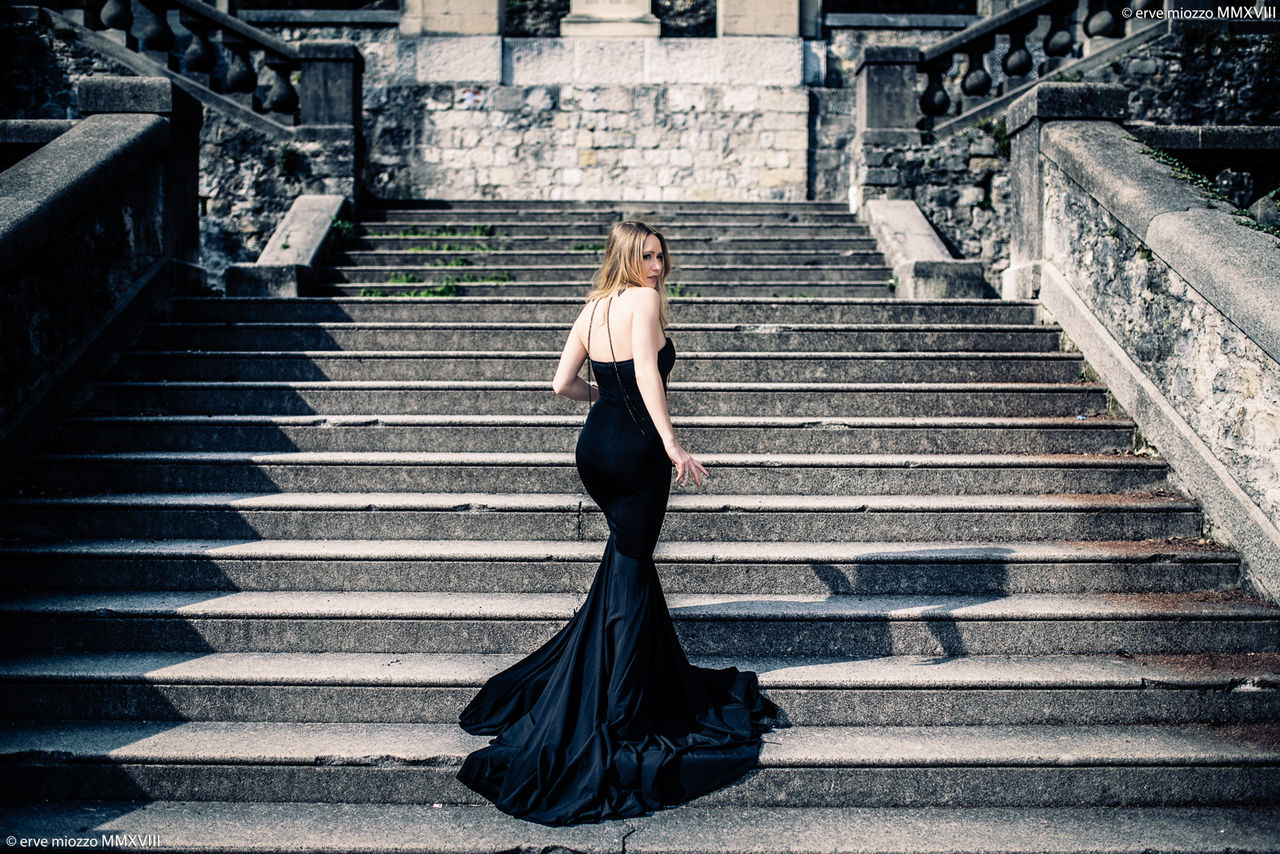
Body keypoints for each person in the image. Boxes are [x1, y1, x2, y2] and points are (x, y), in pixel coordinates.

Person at [455, 220, 779, 826]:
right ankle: (621, 706)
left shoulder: (594, 306)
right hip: (634, 453)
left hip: (593, 451)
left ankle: (622, 673)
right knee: (630, 570)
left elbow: (561, 384)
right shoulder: (644, 301)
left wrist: (606, 402)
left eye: (660, 257)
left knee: (627, 563)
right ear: (629, 258)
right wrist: (672, 444)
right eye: (648, 257)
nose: (657, 267)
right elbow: (650, 378)